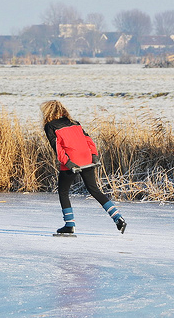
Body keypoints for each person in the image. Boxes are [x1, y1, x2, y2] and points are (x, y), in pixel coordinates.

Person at [40, 100, 127, 235]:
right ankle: (118, 218)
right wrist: (94, 156)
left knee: (63, 192)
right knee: (94, 190)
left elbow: (57, 148)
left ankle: (69, 225)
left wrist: (68, 163)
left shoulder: (50, 126)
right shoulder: (75, 123)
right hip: (87, 158)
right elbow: (88, 140)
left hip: (72, 160)